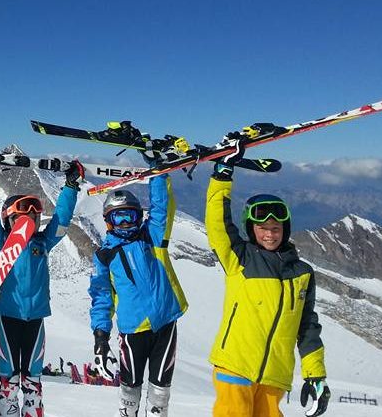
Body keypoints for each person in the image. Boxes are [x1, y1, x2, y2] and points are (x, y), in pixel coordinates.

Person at [206, 134, 330, 417]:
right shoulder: (240, 259)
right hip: (234, 368)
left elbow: (307, 326)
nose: (270, 233)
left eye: (276, 228)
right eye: (263, 228)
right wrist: (222, 176)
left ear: (285, 230)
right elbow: (218, 226)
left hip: (275, 377)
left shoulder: (302, 273)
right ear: (252, 230)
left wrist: (316, 375)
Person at [0, 148, 82, 417]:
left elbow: (61, 220)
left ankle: (32, 408)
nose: (29, 220)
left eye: (33, 216)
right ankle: (7, 408)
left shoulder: (42, 244)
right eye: (22, 215)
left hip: (35, 319)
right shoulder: (1, 243)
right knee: (9, 381)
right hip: (8, 316)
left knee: (32, 380)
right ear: (9, 218)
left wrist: (70, 186)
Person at [88, 168, 188, 417]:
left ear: (139, 216)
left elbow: (161, 209)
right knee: (130, 390)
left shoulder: (152, 237)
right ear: (109, 221)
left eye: (130, 216)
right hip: (132, 331)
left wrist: (160, 173)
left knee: (160, 392)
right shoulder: (104, 256)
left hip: (165, 324)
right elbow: (101, 297)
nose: (125, 224)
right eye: (119, 218)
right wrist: (101, 338)